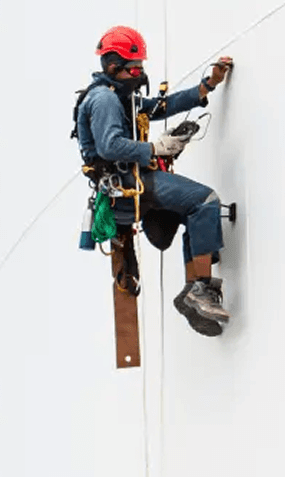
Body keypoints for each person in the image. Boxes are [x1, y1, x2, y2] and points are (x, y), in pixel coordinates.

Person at [74, 25, 234, 336]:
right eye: (133, 68)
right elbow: (109, 145)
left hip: (132, 184)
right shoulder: (104, 100)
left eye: (140, 67)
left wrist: (207, 86)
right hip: (128, 187)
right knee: (205, 202)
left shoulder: (122, 97)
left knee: (194, 213)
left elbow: (161, 107)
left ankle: (195, 292)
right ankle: (198, 290)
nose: (139, 73)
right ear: (112, 67)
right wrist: (154, 148)